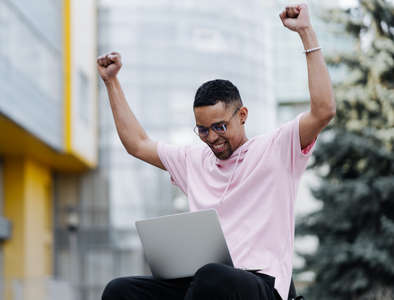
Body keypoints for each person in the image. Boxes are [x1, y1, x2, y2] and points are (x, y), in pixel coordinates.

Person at [97, 3, 335, 300]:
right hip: (203, 284)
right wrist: (111, 81)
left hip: (259, 285)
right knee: (121, 290)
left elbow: (324, 110)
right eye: (203, 129)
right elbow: (137, 144)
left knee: (212, 276)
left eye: (220, 127)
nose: (211, 138)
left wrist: (306, 32)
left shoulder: (277, 148)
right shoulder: (193, 161)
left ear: (243, 115)